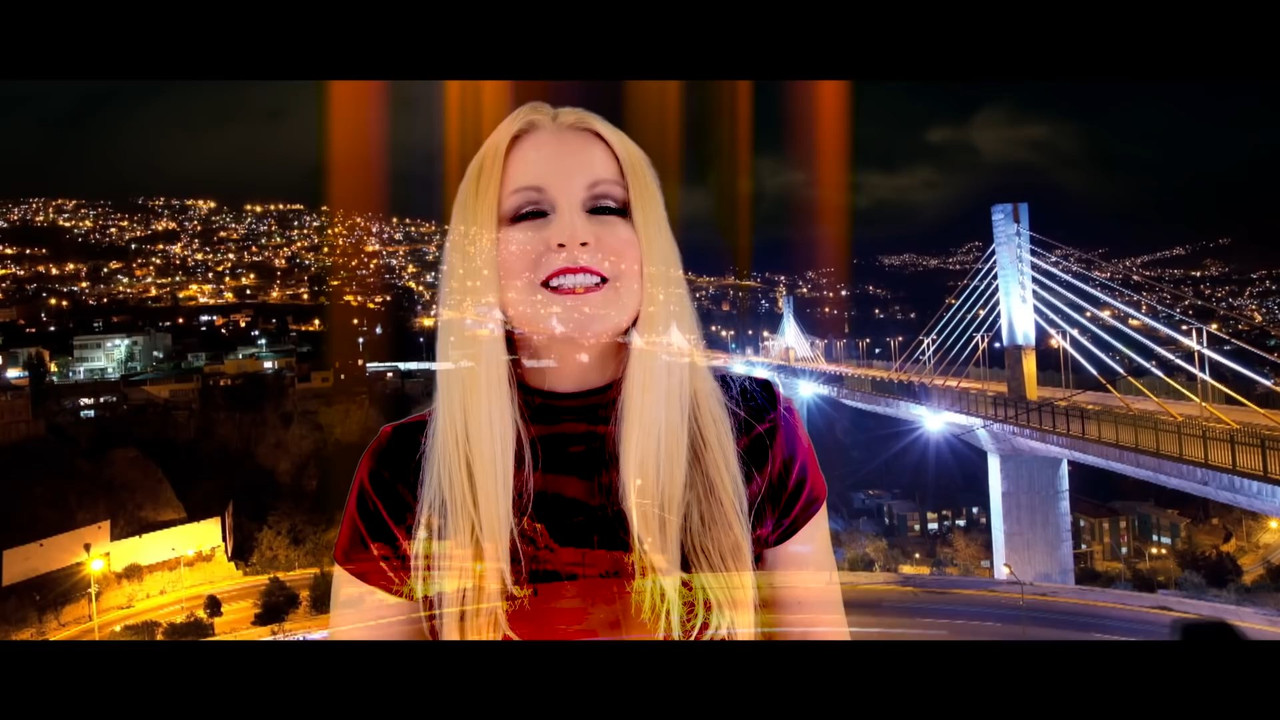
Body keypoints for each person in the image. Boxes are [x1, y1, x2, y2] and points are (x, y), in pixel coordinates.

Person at [329, 101, 847, 640]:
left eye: (605, 206)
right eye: (530, 213)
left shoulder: (757, 433)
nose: (572, 235)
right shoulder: (405, 473)